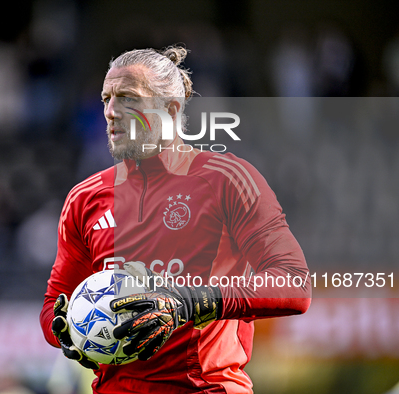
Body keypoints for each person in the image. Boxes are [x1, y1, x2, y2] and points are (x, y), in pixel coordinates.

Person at [40, 45, 311, 394]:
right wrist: (65, 330)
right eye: (106, 98)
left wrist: (189, 303)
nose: (109, 111)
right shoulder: (84, 199)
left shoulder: (227, 180)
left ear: (170, 108)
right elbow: (54, 305)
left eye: (127, 98)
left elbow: (293, 284)